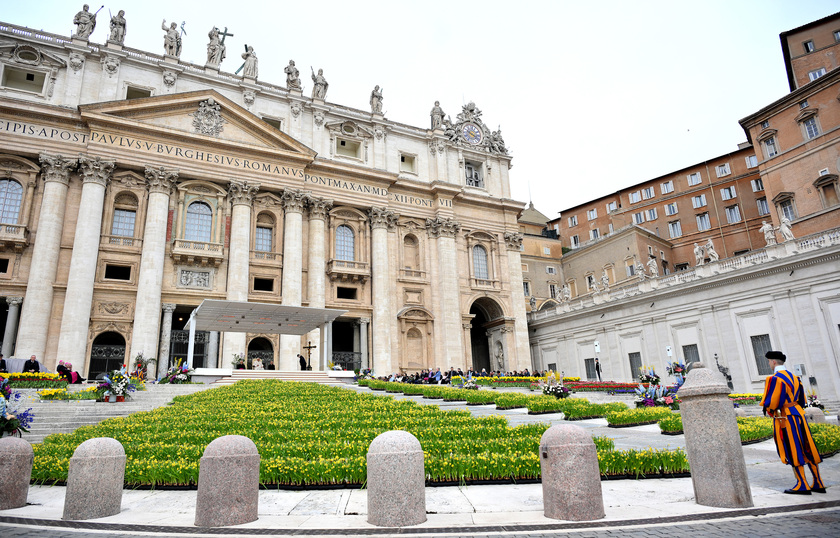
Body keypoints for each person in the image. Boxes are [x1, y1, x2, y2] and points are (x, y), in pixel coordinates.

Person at [761, 350, 825, 494]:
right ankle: (818, 482)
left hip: (786, 417)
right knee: (807, 445)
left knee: (793, 447)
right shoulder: (795, 377)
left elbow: (772, 402)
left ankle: (802, 484)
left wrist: (770, 410)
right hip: (799, 414)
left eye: (769, 362)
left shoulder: (775, 379)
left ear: (772, 362)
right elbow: (802, 400)